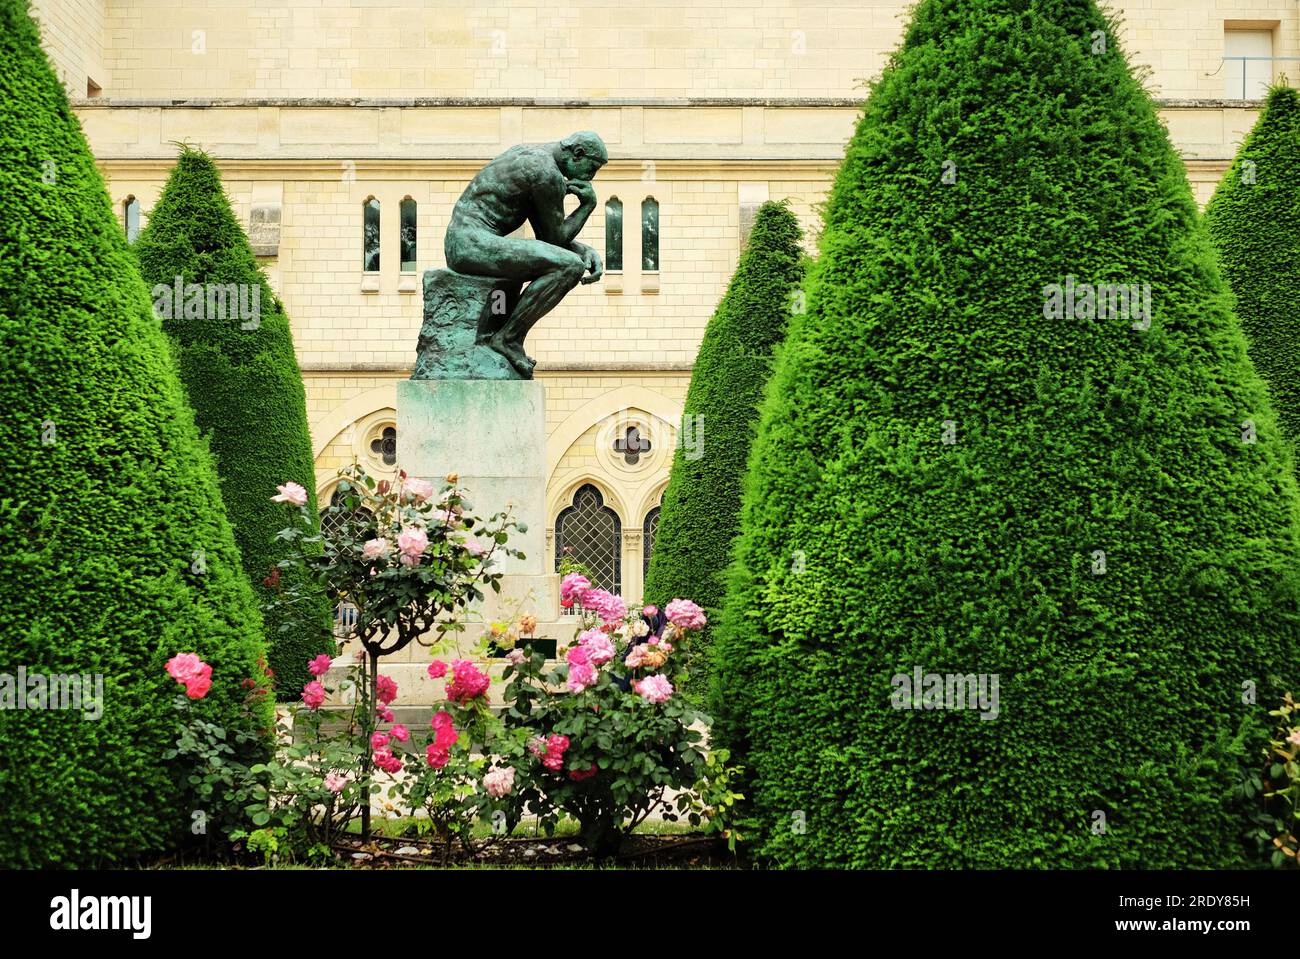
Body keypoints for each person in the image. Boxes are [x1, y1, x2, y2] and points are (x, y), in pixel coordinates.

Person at [444, 131, 608, 377]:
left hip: (467, 240)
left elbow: (549, 236)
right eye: (592, 168)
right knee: (569, 267)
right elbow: (554, 240)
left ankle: (503, 335)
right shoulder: (546, 172)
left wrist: (583, 249)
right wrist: (587, 205)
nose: (590, 177)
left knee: (567, 261)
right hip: (471, 244)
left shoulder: (531, 154)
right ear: (578, 154)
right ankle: (508, 339)